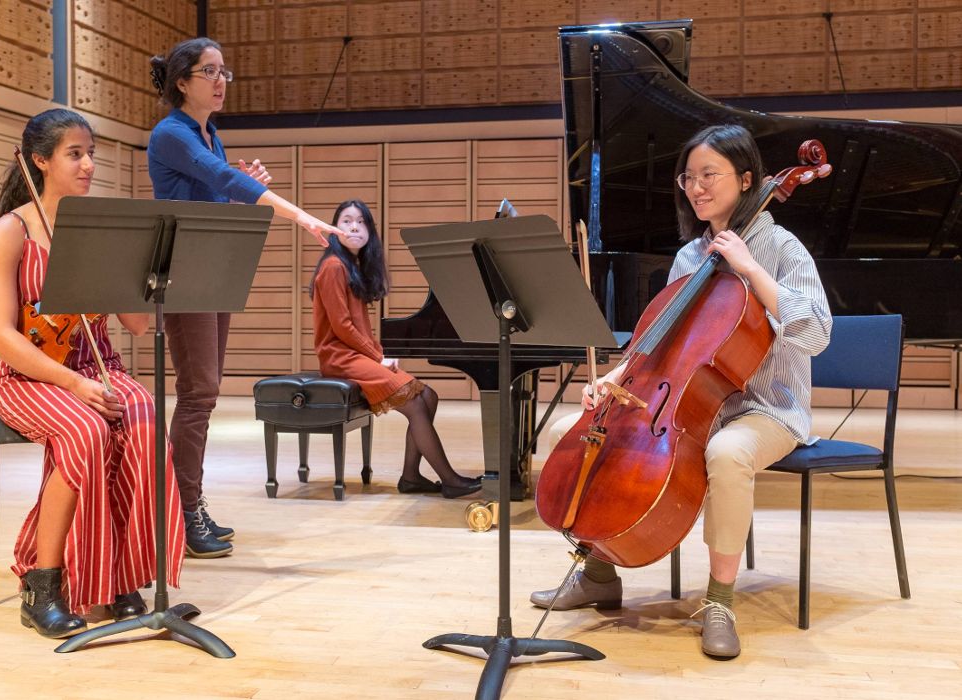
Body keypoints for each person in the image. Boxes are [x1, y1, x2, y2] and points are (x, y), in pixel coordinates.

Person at [530, 124, 832, 659]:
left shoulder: (782, 249)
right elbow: (659, 344)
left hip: (766, 408)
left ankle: (719, 600)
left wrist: (750, 268)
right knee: (566, 432)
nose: (696, 187)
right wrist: (615, 377)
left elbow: (816, 332)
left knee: (727, 452)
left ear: (745, 179)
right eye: (688, 177)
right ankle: (599, 569)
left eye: (709, 175)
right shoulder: (691, 256)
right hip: (686, 404)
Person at [0, 108, 185, 638]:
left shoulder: (98, 228)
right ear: (41, 161)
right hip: (30, 378)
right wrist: (72, 383)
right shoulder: (11, 232)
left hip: (99, 367)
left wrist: (139, 266)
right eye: (76, 154)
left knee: (141, 418)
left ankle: (120, 579)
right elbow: (1, 336)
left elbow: (138, 326)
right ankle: (42, 584)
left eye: (90, 153)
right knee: (86, 428)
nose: (89, 164)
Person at [147, 37, 343, 558]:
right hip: (186, 276)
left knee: (203, 396)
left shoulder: (210, 134)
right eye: (209, 72)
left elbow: (216, 192)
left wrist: (238, 188)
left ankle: (189, 506)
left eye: (224, 72)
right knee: (198, 395)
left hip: (213, 272)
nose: (220, 81)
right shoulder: (171, 133)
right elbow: (218, 180)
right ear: (182, 81)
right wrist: (298, 215)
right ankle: (182, 513)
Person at [310, 200, 483, 499]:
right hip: (339, 358)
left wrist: (377, 354)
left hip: (355, 354)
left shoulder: (353, 266)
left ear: (370, 231)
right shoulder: (333, 266)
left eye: (361, 221)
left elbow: (359, 328)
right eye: (347, 220)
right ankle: (449, 479)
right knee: (416, 403)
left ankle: (411, 476)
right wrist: (379, 357)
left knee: (429, 396)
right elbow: (342, 328)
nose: (354, 226)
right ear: (334, 228)